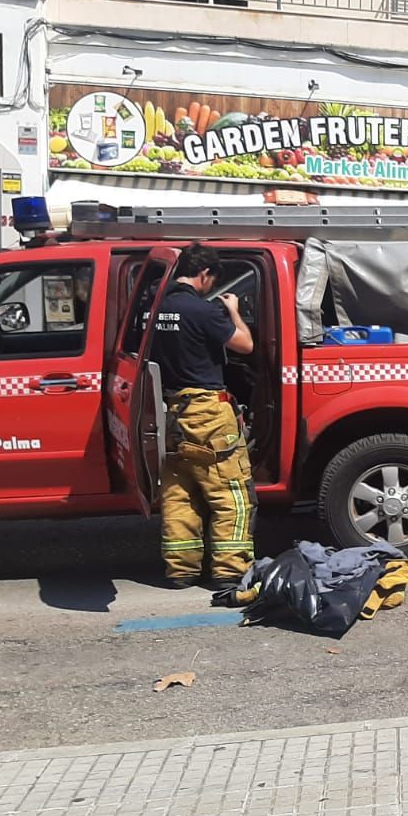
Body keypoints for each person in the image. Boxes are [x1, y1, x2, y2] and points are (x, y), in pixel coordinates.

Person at [151, 244, 257, 589]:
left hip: (169, 413)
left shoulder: (153, 310)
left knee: (179, 492)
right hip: (207, 414)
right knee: (230, 493)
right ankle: (229, 571)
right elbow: (245, 346)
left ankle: (181, 570)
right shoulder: (203, 310)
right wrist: (234, 311)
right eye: (212, 282)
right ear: (205, 275)